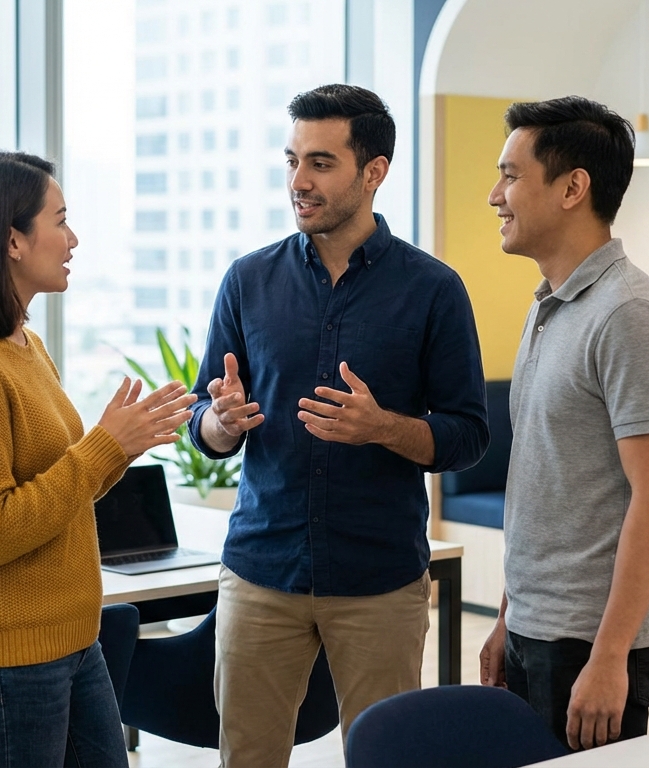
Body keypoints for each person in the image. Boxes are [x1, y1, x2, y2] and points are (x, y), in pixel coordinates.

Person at [189, 84, 489, 768]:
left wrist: (384, 427)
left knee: (389, 758)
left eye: (321, 163)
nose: (299, 181)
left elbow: (468, 436)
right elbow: (203, 424)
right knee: (246, 758)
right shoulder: (246, 281)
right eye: (292, 160)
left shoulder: (433, 289)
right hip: (262, 572)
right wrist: (221, 425)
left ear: (373, 171)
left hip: (379, 578)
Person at [0, 149, 196, 767]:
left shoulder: (24, 344)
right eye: (60, 220)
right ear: (13, 240)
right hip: (5, 662)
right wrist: (100, 449)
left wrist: (122, 444)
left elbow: (57, 489)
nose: (74, 238)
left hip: (70, 640)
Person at [477, 96, 649, 751]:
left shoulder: (628, 315)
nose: (495, 196)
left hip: (593, 644)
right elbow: (548, 483)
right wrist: (508, 617)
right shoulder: (549, 305)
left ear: (573, 187)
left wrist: (608, 657)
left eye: (511, 175)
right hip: (537, 626)